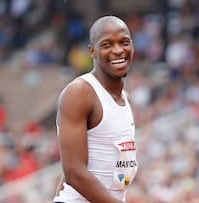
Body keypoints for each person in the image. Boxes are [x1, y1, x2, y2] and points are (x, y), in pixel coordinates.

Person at [53, 15, 138, 203]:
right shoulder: (80, 93)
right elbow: (74, 172)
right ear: (92, 51)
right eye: (107, 45)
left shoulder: (126, 99)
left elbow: (78, 164)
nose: (118, 50)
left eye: (124, 42)